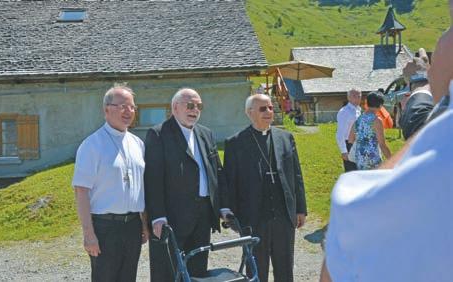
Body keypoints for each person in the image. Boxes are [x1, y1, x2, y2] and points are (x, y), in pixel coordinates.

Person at [320, 15, 453, 282]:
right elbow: (364, 139)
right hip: (371, 158)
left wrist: (351, 152)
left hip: (363, 159)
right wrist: (381, 154)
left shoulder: (360, 116)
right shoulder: (372, 117)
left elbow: (352, 136)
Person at [144, 88, 230, 281]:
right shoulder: (158, 134)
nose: (195, 110)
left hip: (203, 217)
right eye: (190, 105)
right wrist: (157, 217)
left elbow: (217, 173)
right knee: (167, 272)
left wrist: (222, 206)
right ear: (175, 107)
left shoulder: (206, 134)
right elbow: (152, 179)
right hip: (171, 219)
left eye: (199, 106)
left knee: (198, 271)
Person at [224, 94, 307, 282]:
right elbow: (230, 183)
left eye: (270, 107)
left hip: (283, 216)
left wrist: (300, 208)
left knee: (285, 267)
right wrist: (234, 217)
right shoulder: (235, 143)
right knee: (256, 269)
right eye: (263, 109)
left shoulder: (286, 138)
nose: (269, 112)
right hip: (253, 217)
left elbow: (296, 175)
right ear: (249, 112)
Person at [72, 86, 149, 282]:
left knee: (128, 278)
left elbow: (141, 188)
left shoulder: (137, 143)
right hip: (105, 227)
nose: (128, 111)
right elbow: (81, 192)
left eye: (132, 107)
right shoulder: (92, 145)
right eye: (122, 106)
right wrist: (89, 234)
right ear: (106, 110)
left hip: (132, 226)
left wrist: (144, 223)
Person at [348, 91, 391, 170]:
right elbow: (382, 145)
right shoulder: (376, 120)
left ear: (367, 103)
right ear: (381, 105)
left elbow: (350, 139)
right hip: (372, 160)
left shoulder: (359, 119)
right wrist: (392, 161)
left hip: (360, 159)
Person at [336, 89, 362, 172]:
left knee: (359, 171)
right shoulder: (344, 112)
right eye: (354, 96)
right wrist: (344, 151)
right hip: (349, 144)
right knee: (351, 172)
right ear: (349, 97)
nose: (357, 98)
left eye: (359, 96)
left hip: (358, 143)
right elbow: (340, 134)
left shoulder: (358, 110)